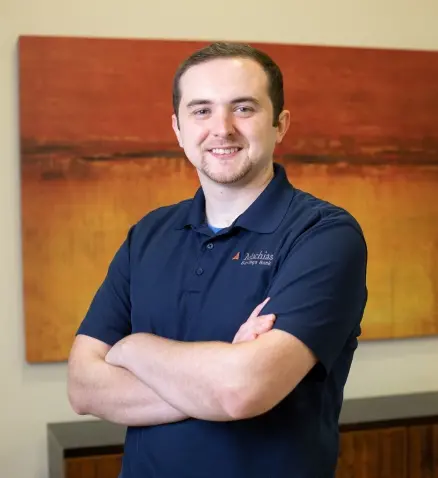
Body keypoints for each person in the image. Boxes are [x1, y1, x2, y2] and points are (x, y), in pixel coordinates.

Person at [67, 41, 368, 478]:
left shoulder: (324, 235)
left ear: (280, 124)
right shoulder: (148, 234)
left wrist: (133, 348)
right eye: (201, 110)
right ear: (178, 128)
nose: (221, 128)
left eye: (243, 108)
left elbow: (242, 391)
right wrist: (220, 373)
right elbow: (82, 388)